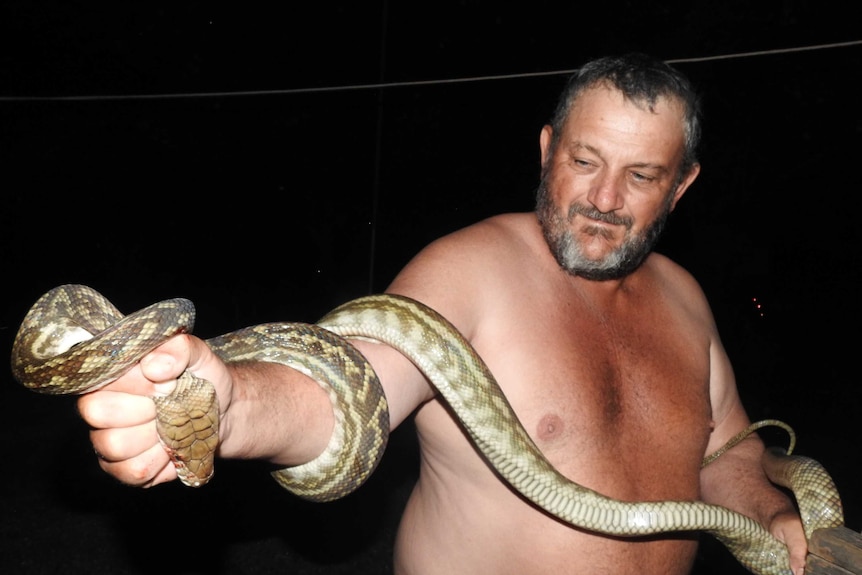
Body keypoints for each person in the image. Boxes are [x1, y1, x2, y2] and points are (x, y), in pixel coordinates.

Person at [76, 53, 807, 575]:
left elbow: (729, 451)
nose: (605, 198)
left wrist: (772, 516)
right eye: (585, 161)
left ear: (681, 186)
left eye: (641, 175)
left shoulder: (686, 299)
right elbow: (346, 388)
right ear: (548, 150)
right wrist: (229, 406)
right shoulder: (468, 272)